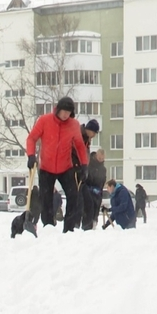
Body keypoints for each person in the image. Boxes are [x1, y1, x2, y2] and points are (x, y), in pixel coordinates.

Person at [26, 96, 88, 233]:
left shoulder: (74, 125)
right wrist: (31, 155)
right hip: (46, 168)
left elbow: (80, 146)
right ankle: (48, 228)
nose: (65, 114)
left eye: (68, 112)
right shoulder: (44, 120)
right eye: (63, 111)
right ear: (58, 110)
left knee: (73, 197)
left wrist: (84, 165)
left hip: (66, 168)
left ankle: (69, 229)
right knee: (46, 200)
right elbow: (31, 138)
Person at [81, 149, 107, 230]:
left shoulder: (103, 169)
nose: (100, 160)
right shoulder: (89, 164)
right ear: (96, 156)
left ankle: (94, 223)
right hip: (88, 190)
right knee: (88, 209)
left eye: (102, 159)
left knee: (96, 209)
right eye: (99, 158)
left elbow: (102, 181)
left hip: (97, 192)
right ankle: (86, 226)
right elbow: (85, 178)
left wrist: (99, 190)